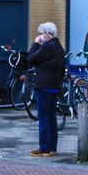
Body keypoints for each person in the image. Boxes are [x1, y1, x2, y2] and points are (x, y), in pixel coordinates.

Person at [26, 22, 65, 157]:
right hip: (55, 86)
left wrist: (36, 44)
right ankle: (52, 147)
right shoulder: (59, 47)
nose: (40, 36)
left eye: (41, 34)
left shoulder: (48, 47)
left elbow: (31, 58)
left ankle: (44, 147)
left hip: (44, 86)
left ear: (47, 35)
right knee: (51, 117)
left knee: (43, 117)